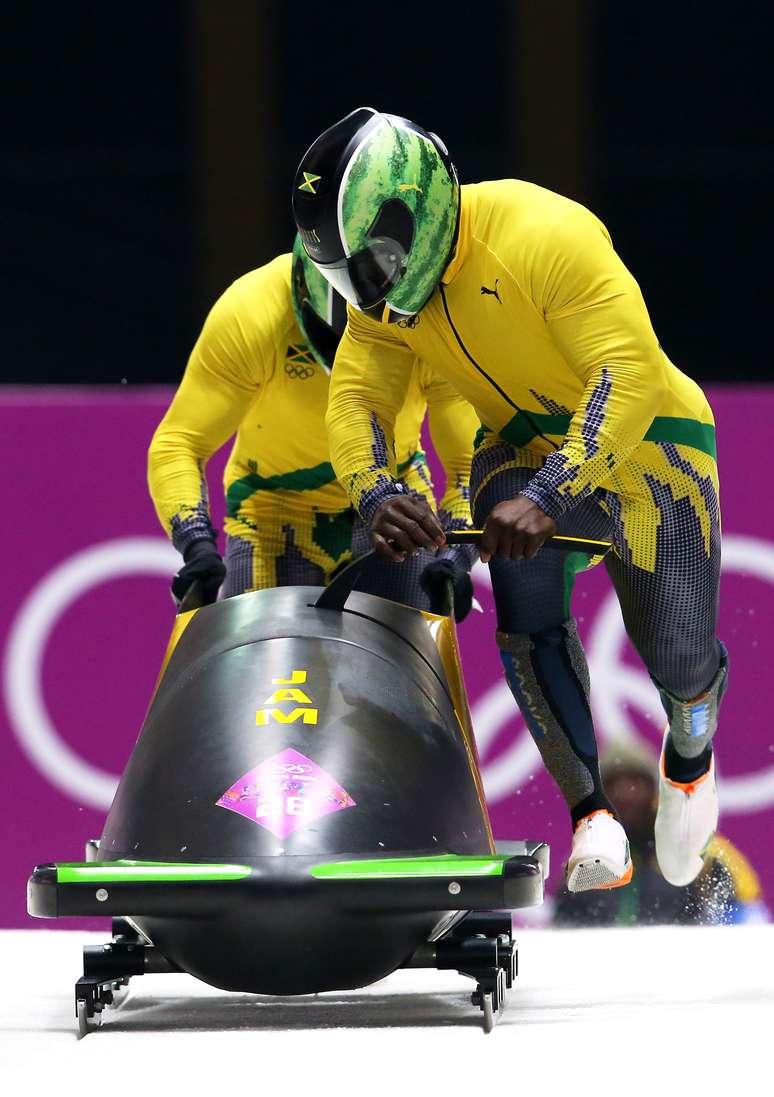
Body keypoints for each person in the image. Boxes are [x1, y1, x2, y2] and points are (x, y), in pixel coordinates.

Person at [293, 107, 727, 893]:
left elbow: (625, 373)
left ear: (417, 211)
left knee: (681, 656)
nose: (365, 295)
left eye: (371, 267)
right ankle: (591, 813)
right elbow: (355, 399)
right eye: (344, 279)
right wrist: (375, 490)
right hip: (521, 446)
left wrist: (554, 492)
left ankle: (690, 755)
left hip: (655, 447)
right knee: (519, 582)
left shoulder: (544, 234)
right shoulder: (386, 303)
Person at [148, 235, 479, 616]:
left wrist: (456, 556)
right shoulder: (251, 312)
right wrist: (196, 545)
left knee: (413, 674)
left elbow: (468, 465)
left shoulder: (429, 319)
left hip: (394, 508)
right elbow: (179, 444)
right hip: (272, 514)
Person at [553, 739, 768, 925]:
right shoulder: (588, 854)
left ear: (654, 789)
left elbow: (748, 917)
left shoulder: (698, 849)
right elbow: (561, 928)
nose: (624, 794)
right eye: (613, 784)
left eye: (635, 782)